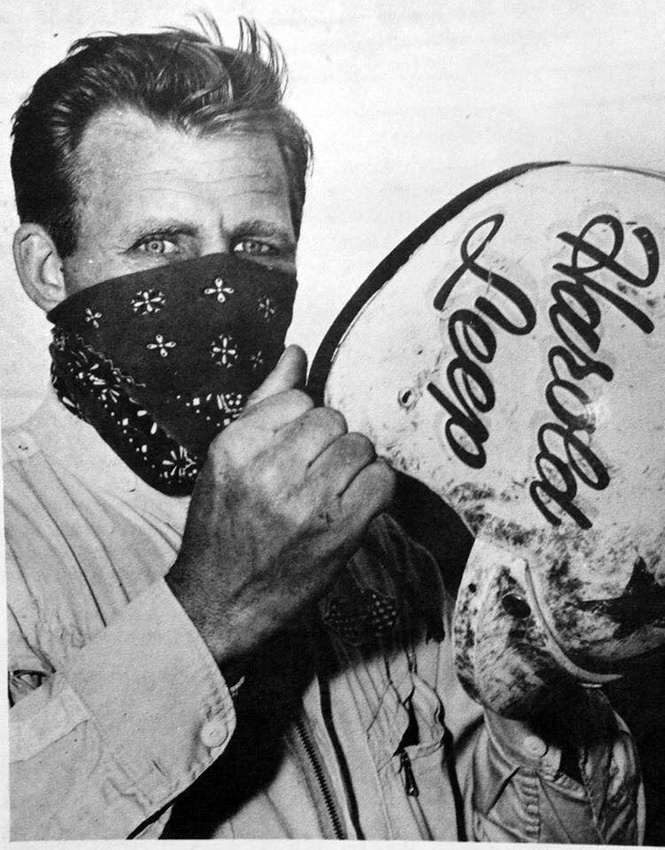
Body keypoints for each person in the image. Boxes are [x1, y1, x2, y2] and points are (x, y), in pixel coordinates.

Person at [3, 15, 643, 842]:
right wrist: (208, 615)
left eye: (257, 245)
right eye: (160, 243)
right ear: (47, 269)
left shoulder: (368, 535)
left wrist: (538, 697)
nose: (221, 286)